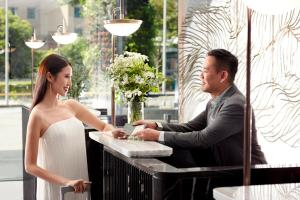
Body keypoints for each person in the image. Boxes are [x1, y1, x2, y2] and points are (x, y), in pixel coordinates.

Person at [134, 48, 267, 167]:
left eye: (205, 71)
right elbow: (189, 128)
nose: (200, 76)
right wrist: (155, 125)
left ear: (223, 76)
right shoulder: (214, 102)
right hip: (224, 169)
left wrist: (158, 136)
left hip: (246, 175)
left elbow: (203, 139)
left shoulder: (236, 105)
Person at [24, 54, 123, 200]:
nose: (70, 82)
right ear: (50, 77)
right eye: (66, 76)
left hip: (80, 184)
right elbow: (30, 166)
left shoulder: (71, 105)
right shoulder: (37, 115)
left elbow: (102, 126)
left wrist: (114, 132)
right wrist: (67, 182)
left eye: (70, 77)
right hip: (57, 188)